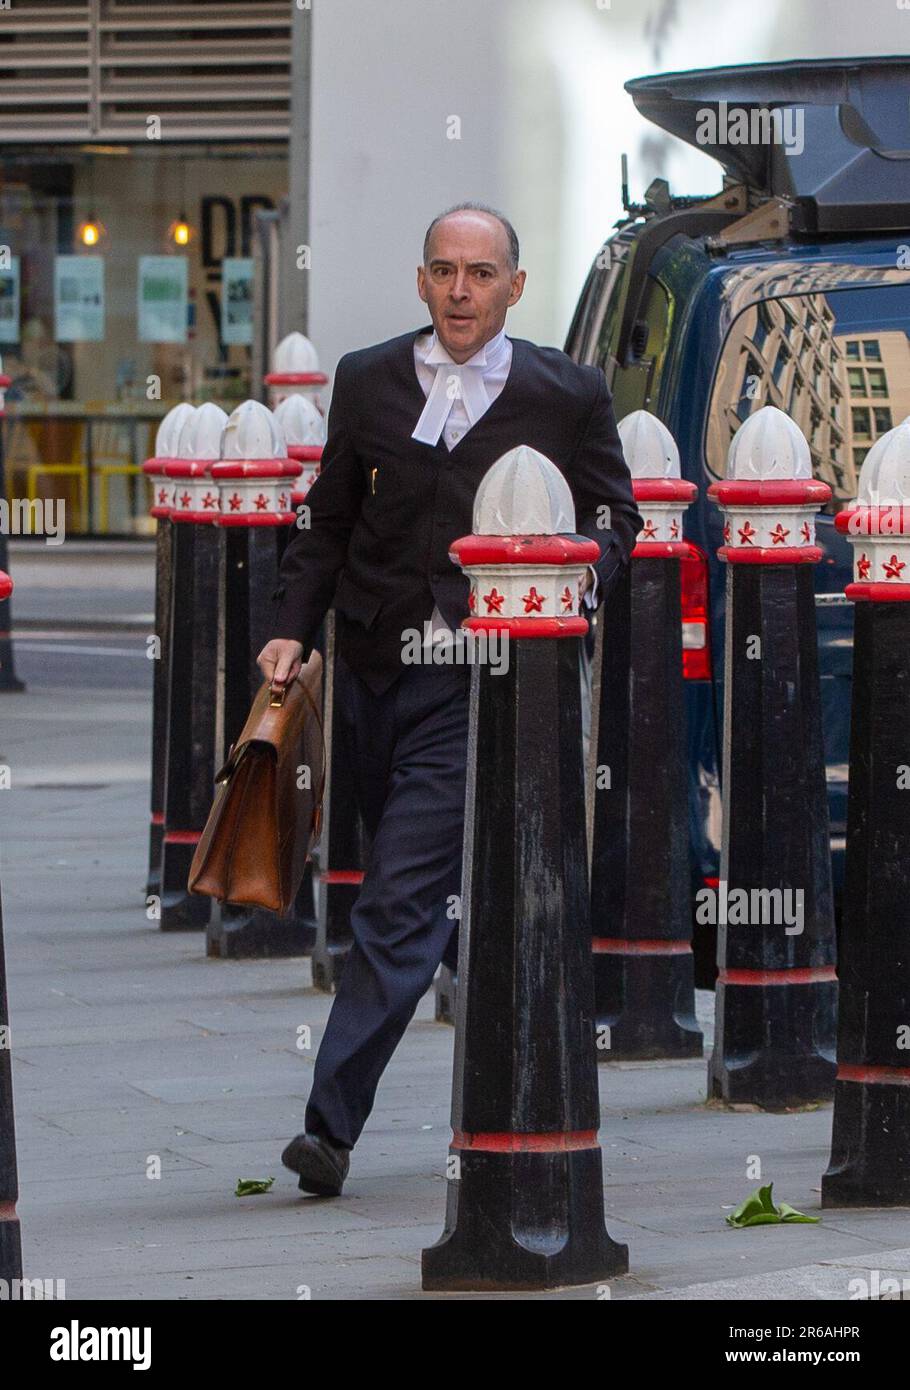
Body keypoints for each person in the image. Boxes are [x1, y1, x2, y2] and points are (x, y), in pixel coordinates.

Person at [257, 202, 643, 1196]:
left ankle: (327, 1127)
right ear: (421, 280)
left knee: (395, 898)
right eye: (443, 270)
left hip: (484, 674)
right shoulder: (368, 378)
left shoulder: (566, 392)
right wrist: (292, 628)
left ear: (515, 285)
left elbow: (614, 512)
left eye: (480, 273)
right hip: (376, 671)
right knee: (437, 885)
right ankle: (516, 1035)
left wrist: (569, 575)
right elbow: (328, 519)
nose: (460, 290)